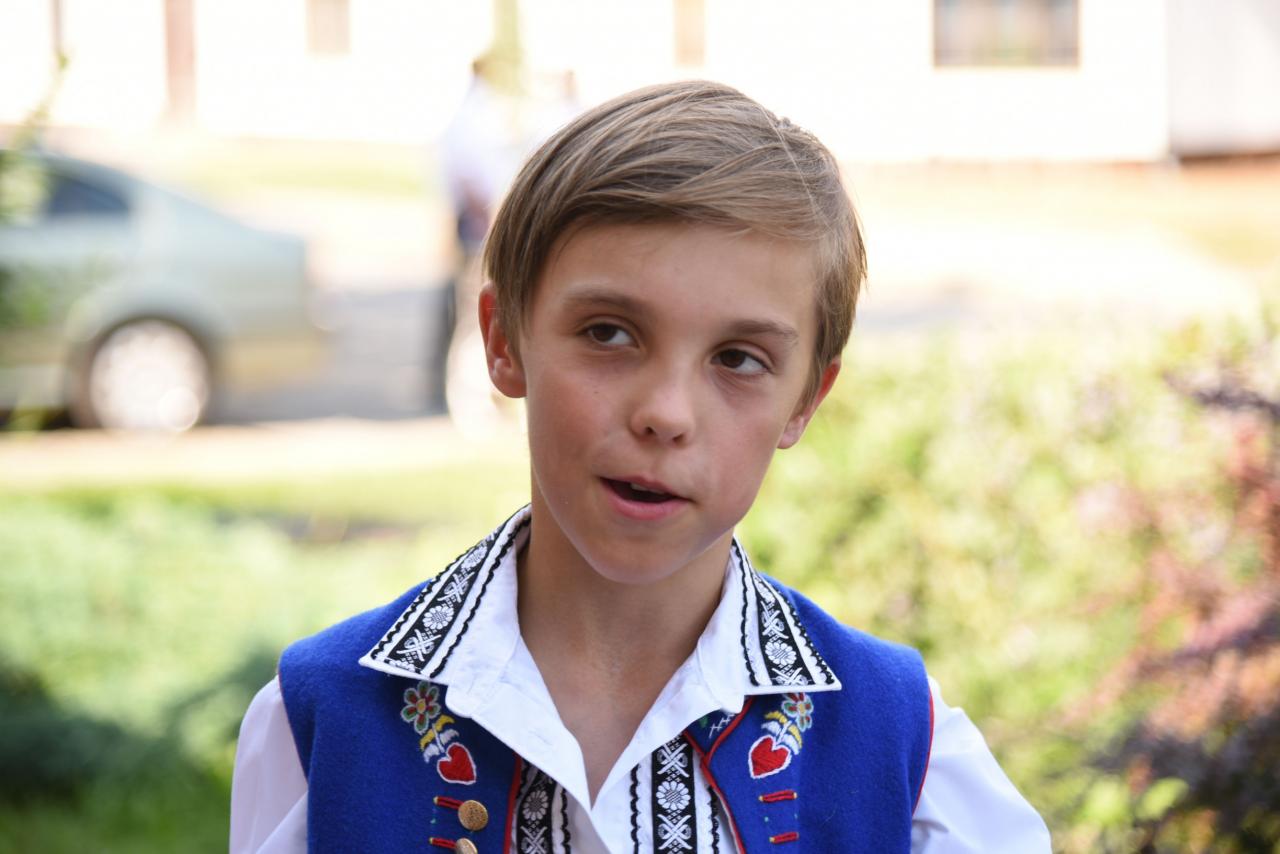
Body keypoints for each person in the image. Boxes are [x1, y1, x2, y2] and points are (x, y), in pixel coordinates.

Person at [231, 81, 1051, 852]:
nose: (666, 412)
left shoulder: (906, 751)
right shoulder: (320, 724)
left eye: (737, 358)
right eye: (609, 333)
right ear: (503, 340)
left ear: (805, 399)